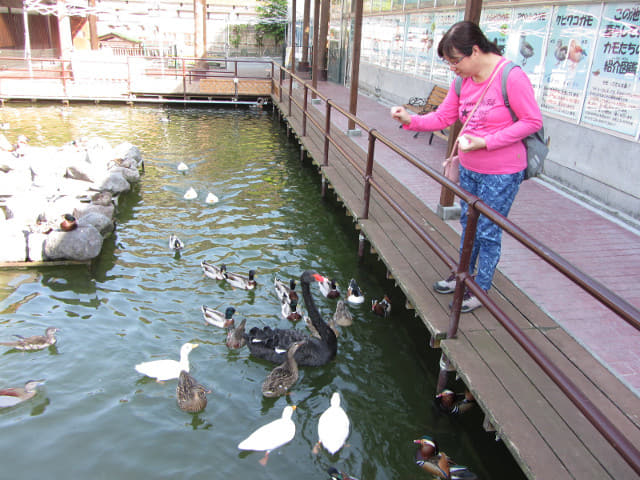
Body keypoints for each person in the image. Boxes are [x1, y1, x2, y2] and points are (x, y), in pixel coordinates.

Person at [390, 21, 542, 313]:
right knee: (468, 224)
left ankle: (480, 288)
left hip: (502, 172)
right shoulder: (462, 81)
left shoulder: (511, 77)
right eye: (449, 63)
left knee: (488, 230)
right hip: (469, 167)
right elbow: (444, 117)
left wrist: (486, 142)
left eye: (455, 61)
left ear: (475, 50)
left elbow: (532, 122)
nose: (453, 68)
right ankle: (462, 276)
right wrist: (410, 120)